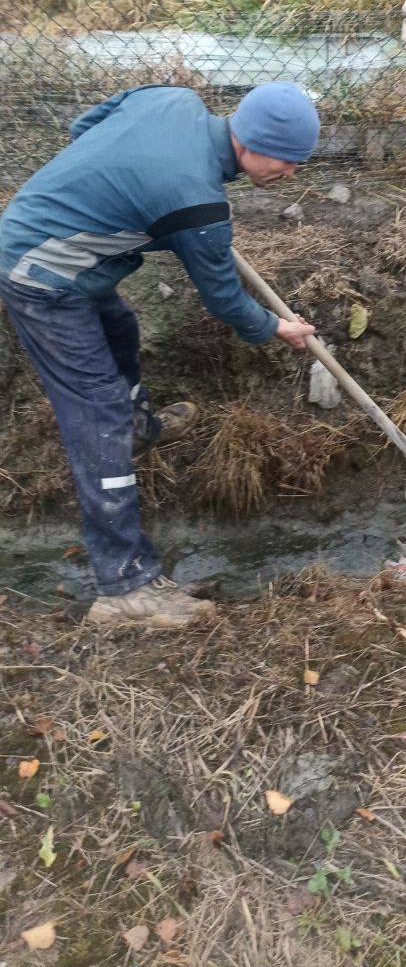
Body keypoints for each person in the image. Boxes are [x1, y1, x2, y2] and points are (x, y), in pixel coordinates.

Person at [0, 81, 320, 630]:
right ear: (251, 141)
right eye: (286, 160)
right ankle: (125, 587)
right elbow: (225, 302)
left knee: (121, 328)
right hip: (39, 273)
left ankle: (137, 430)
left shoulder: (171, 100)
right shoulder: (197, 205)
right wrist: (276, 327)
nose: (290, 173)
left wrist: (122, 192)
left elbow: (84, 127)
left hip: (69, 255)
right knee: (97, 411)